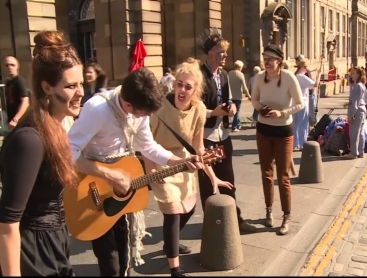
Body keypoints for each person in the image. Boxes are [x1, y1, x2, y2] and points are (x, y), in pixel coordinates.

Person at [68, 67, 203, 276]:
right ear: (129, 104)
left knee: (124, 259)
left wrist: (180, 160)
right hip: (91, 190)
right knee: (110, 262)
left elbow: (148, 147)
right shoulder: (97, 109)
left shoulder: (138, 109)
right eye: (144, 113)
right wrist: (109, 174)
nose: (146, 117)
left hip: (120, 190)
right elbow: (68, 152)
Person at [0, 30, 82, 276]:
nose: (80, 92)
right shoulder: (30, 140)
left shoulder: (55, 126)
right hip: (31, 253)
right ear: (46, 87)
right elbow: (7, 224)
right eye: (70, 86)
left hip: (54, 243)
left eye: (81, 84)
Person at [147, 57, 233, 277]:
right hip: (159, 161)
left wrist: (212, 176)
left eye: (188, 86)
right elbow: (145, 143)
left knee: (189, 207)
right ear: (174, 84)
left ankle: (169, 244)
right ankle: (175, 268)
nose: (182, 90)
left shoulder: (199, 110)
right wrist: (151, 169)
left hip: (185, 164)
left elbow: (198, 148)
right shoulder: (159, 107)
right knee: (173, 211)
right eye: (179, 84)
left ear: (195, 90)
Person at [196, 27, 257, 233]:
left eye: (225, 52)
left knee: (228, 179)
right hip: (205, 137)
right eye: (221, 52)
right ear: (211, 54)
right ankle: (212, 224)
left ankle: (233, 220)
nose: (225, 56)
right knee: (208, 183)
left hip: (223, 135)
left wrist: (230, 106)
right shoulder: (199, 76)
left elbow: (228, 98)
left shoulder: (223, 75)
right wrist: (214, 112)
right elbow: (194, 110)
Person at [251, 44, 304, 235]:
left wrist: (282, 112)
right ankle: (268, 210)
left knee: (283, 176)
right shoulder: (259, 78)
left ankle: (286, 216)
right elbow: (254, 99)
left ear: (279, 61)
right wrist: (260, 108)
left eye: (271, 59)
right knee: (266, 173)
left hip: (283, 131)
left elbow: (300, 104)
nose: (267, 62)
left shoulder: (288, 78)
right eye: (265, 58)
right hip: (263, 130)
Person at [293, 60, 317, 151]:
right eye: (306, 68)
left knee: (295, 124)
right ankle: (303, 143)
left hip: (295, 103)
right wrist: (318, 76)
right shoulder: (301, 77)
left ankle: (296, 143)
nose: (307, 70)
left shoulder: (295, 76)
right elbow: (315, 84)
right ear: (302, 67)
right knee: (303, 123)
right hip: (303, 102)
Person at [345, 67, 367, 159]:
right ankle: (360, 151)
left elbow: (355, 102)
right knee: (361, 132)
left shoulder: (358, 86)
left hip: (357, 111)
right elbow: (365, 99)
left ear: (358, 75)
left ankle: (354, 153)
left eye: (353, 73)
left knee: (354, 132)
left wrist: (351, 115)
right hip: (362, 110)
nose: (351, 75)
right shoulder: (362, 85)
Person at [3, 56, 30, 130]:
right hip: (12, 122)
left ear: (17, 66)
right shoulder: (8, 83)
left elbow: (25, 102)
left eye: (12, 65)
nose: (9, 67)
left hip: (21, 122)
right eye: (7, 65)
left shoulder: (19, 81)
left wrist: (15, 119)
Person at [228, 60, 250, 132]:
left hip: (230, 96)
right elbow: (244, 87)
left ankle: (238, 123)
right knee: (237, 111)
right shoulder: (240, 74)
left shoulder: (229, 73)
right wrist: (248, 95)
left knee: (232, 110)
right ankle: (234, 127)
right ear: (240, 67)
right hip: (238, 96)